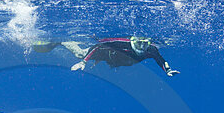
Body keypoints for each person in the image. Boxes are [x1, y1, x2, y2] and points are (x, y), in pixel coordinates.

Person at [34, 36, 179, 76]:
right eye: (139, 44)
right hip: (103, 54)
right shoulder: (123, 43)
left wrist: (168, 70)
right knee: (80, 53)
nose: (141, 47)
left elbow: (161, 60)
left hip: (118, 61)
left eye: (144, 44)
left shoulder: (151, 50)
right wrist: (84, 61)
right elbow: (99, 45)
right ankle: (60, 41)